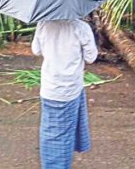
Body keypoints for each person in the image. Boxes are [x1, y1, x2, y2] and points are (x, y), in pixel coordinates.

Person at [32, 19, 98, 169]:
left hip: (49, 87)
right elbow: (91, 57)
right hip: (70, 88)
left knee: (50, 131)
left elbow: (36, 50)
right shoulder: (81, 27)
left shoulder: (43, 23)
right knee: (62, 137)